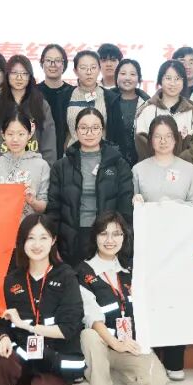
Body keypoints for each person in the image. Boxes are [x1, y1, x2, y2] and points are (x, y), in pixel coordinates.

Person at [0, 214, 84, 385]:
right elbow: (1, 320)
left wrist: (26, 326)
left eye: (43, 237)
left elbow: (68, 329)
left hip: (56, 361)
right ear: (22, 241)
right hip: (25, 357)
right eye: (31, 238)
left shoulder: (67, 276)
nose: (37, 244)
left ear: (53, 240)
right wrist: (3, 338)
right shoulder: (12, 279)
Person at [76, 212, 168, 385]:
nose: (110, 240)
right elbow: (91, 317)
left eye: (116, 234)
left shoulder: (130, 270)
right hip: (101, 344)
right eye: (103, 234)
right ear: (95, 237)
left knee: (156, 383)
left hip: (127, 344)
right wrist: (115, 343)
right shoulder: (83, 272)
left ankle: (107, 379)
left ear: (124, 237)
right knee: (89, 335)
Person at [132, 115, 193, 381]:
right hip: (149, 246)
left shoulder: (188, 169)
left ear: (176, 139)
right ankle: (151, 360)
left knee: (176, 301)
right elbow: (132, 204)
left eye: (168, 136)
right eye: (157, 137)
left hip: (179, 245)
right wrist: (136, 202)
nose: (163, 141)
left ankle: (174, 361)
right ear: (150, 140)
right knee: (150, 302)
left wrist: (174, 207)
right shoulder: (139, 169)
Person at [47, 107, 133, 268]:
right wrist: (52, 244)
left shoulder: (119, 165)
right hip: (70, 238)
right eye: (84, 128)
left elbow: (125, 208)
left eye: (95, 128)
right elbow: (53, 209)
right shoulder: (61, 166)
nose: (89, 133)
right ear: (76, 131)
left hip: (107, 237)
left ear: (102, 130)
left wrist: (123, 241)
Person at [133, 59, 193, 165]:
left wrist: (177, 165)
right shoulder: (148, 110)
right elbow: (141, 143)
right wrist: (160, 163)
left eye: (177, 79)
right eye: (168, 78)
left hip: (183, 170)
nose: (172, 83)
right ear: (160, 80)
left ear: (184, 82)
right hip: (153, 170)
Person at [0, 55, 57, 163]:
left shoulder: (41, 105)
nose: (19, 78)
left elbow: (49, 142)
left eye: (24, 73)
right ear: (7, 75)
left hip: (34, 167)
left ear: (30, 77)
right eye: (14, 73)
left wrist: (48, 168)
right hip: (3, 168)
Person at [0, 110, 51, 217]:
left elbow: (44, 206)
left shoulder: (41, 165)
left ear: (29, 135)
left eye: (21, 134)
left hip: (28, 224)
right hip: (0, 223)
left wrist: (33, 202)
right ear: (3, 135)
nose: (15, 139)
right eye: (10, 134)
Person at [105, 58, 148, 167]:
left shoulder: (147, 103)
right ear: (117, 76)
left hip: (141, 162)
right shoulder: (106, 100)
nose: (127, 78)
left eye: (132, 74)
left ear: (139, 78)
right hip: (111, 161)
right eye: (123, 73)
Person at [63, 50, 109, 148]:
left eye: (93, 67)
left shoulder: (110, 97)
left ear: (99, 69)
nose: (89, 72)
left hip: (102, 153)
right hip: (72, 153)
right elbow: (63, 132)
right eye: (83, 68)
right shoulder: (65, 96)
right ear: (75, 71)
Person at [38, 44, 73, 154]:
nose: (53, 65)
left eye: (57, 61)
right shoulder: (33, 92)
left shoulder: (73, 92)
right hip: (38, 152)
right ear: (42, 63)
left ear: (64, 64)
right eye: (48, 60)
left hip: (68, 153)